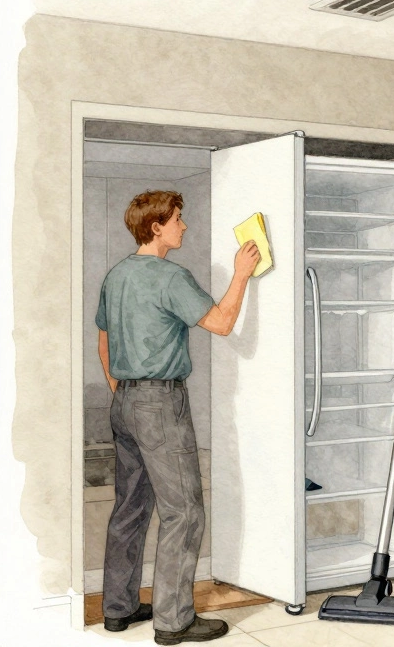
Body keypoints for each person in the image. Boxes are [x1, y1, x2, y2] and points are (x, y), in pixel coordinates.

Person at [96, 190, 259, 645]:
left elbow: (104, 343)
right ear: (156, 228)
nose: (183, 227)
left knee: (130, 509)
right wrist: (242, 274)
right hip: (159, 404)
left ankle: (119, 609)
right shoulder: (170, 277)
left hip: (124, 402)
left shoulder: (116, 276)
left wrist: (124, 393)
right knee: (184, 512)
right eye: (177, 221)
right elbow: (223, 323)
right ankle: (173, 620)